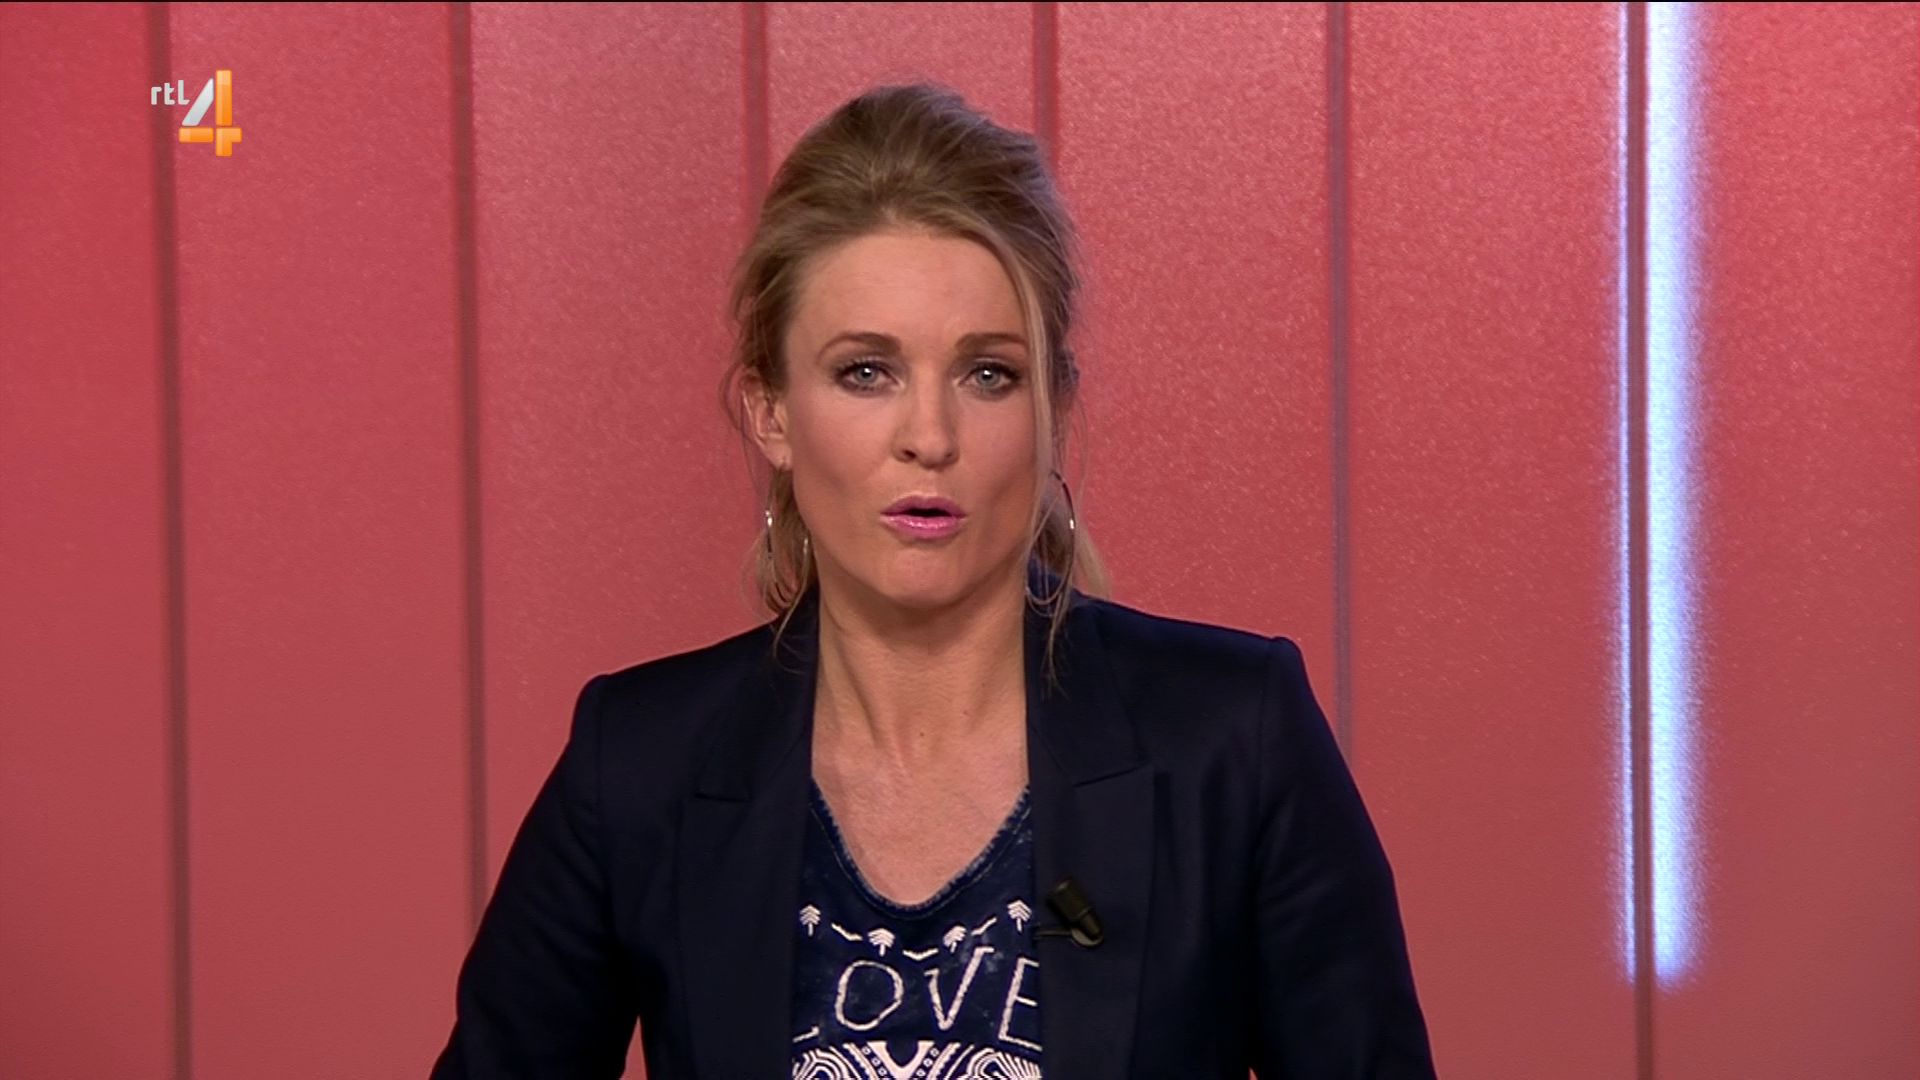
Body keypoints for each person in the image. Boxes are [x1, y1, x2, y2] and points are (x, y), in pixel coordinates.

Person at [430, 81, 1435, 1079]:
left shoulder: (1234, 740)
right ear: (771, 411)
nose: (930, 437)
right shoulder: (638, 763)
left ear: (1053, 408)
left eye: (988, 374)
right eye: (866, 372)